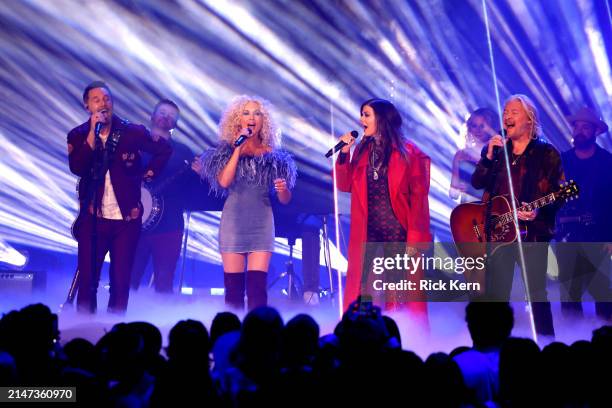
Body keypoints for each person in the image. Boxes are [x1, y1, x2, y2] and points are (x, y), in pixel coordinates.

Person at [67, 81, 171, 313]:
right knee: (87, 281)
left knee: (121, 281)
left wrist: (149, 173)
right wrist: (92, 137)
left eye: (107, 99)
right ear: (87, 106)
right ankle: (84, 330)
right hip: (93, 219)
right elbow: (77, 167)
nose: (103, 104)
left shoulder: (131, 132)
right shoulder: (77, 135)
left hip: (126, 221)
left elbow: (164, 149)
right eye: (97, 100)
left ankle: (115, 333)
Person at [471, 94, 564, 338]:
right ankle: (493, 343)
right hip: (499, 232)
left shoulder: (546, 153)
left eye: (514, 112)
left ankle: (546, 345)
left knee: (535, 293)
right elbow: (478, 181)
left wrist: (538, 210)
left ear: (530, 119)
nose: (507, 116)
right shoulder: (497, 151)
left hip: (531, 235)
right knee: (496, 293)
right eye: (505, 111)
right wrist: (488, 157)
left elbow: (560, 192)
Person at [335, 98, 432, 315]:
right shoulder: (361, 149)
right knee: (364, 288)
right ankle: (363, 333)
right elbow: (344, 184)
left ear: (381, 118)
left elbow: (419, 200)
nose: (361, 120)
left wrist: (416, 237)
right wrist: (344, 154)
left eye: (366, 115)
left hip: (397, 229)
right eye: (362, 114)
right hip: (368, 231)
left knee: (397, 291)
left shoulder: (409, 152)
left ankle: (400, 334)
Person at [199, 95, 296, 311]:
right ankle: (233, 336)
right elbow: (224, 181)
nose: (251, 117)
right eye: (246, 113)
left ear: (264, 121)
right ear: (237, 119)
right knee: (233, 290)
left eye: (257, 113)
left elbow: (285, 199)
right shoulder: (225, 151)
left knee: (256, 289)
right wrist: (237, 149)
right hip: (233, 224)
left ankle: (257, 336)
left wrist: (283, 190)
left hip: (262, 223)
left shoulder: (274, 157)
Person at [130, 99, 212, 293]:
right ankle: (119, 319)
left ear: (174, 123)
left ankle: (160, 320)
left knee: (164, 280)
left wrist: (201, 176)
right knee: (128, 277)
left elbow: (194, 191)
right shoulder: (134, 145)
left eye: (171, 116)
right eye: (162, 112)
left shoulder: (183, 152)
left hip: (169, 225)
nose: (166, 117)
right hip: (133, 223)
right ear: (152, 116)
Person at [555, 107, 612, 320]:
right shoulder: (562, 161)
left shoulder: (608, 163)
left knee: (602, 291)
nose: (579, 130)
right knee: (570, 292)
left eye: (585, 127)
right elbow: (554, 198)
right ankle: (572, 341)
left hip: (599, 236)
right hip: (567, 235)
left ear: (596, 131)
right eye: (576, 126)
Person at [449, 107, 497, 202]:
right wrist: (457, 189)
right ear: (469, 128)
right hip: (466, 211)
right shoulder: (460, 155)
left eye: (482, 126)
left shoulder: (497, 154)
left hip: (489, 210)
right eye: (474, 126)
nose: (478, 130)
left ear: (490, 128)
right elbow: (453, 194)